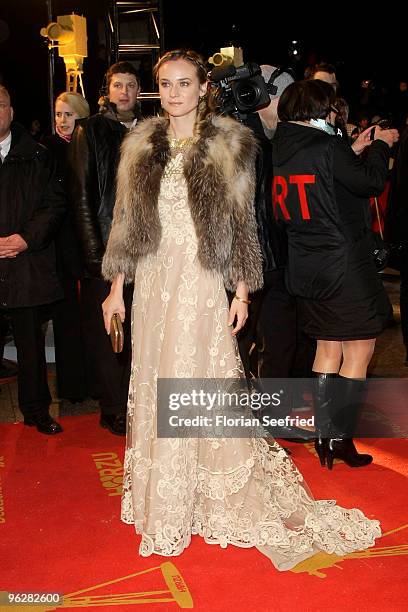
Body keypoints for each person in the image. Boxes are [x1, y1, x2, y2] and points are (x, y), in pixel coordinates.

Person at [101, 50, 381, 570]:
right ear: (155, 89)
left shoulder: (230, 143)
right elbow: (127, 222)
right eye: (165, 84)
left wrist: (243, 291)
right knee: (155, 375)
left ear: (203, 87)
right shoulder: (138, 143)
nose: (175, 93)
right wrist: (117, 288)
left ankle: (210, 490)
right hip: (155, 282)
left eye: (185, 83)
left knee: (199, 378)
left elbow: (241, 224)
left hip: (203, 279)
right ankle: (166, 499)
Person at [272, 79, 399, 469]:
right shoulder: (328, 146)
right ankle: (339, 438)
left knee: (328, 349)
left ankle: (326, 438)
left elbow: (326, 180)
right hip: (344, 265)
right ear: (320, 110)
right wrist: (380, 146)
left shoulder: (279, 149)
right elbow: (370, 183)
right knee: (359, 350)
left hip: (308, 266)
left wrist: (353, 148)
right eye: (330, 110)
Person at [69, 61, 140, 435]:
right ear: (107, 90)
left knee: (138, 332)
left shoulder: (151, 129)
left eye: (131, 84)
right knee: (107, 334)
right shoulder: (90, 130)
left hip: (145, 249)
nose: (124, 92)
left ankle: (133, 402)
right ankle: (112, 407)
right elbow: (81, 198)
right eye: (117, 85)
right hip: (105, 246)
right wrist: (96, 256)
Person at [0, 85, 66, 434]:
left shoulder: (38, 156)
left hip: (26, 262)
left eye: (0, 105)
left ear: (11, 111)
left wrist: (24, 239)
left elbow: (54, 204)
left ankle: (37, 411)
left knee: (30, 345)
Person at [43, 92, 90, 403]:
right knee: (66, 319)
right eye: (58, 114)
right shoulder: (46, 150)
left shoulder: (91, 146)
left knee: (92, 317)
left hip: (89, 242)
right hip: (59, 245)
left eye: (68, 114)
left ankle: (98, 384)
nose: (62, 120)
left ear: (81, 116)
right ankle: (72, 389)